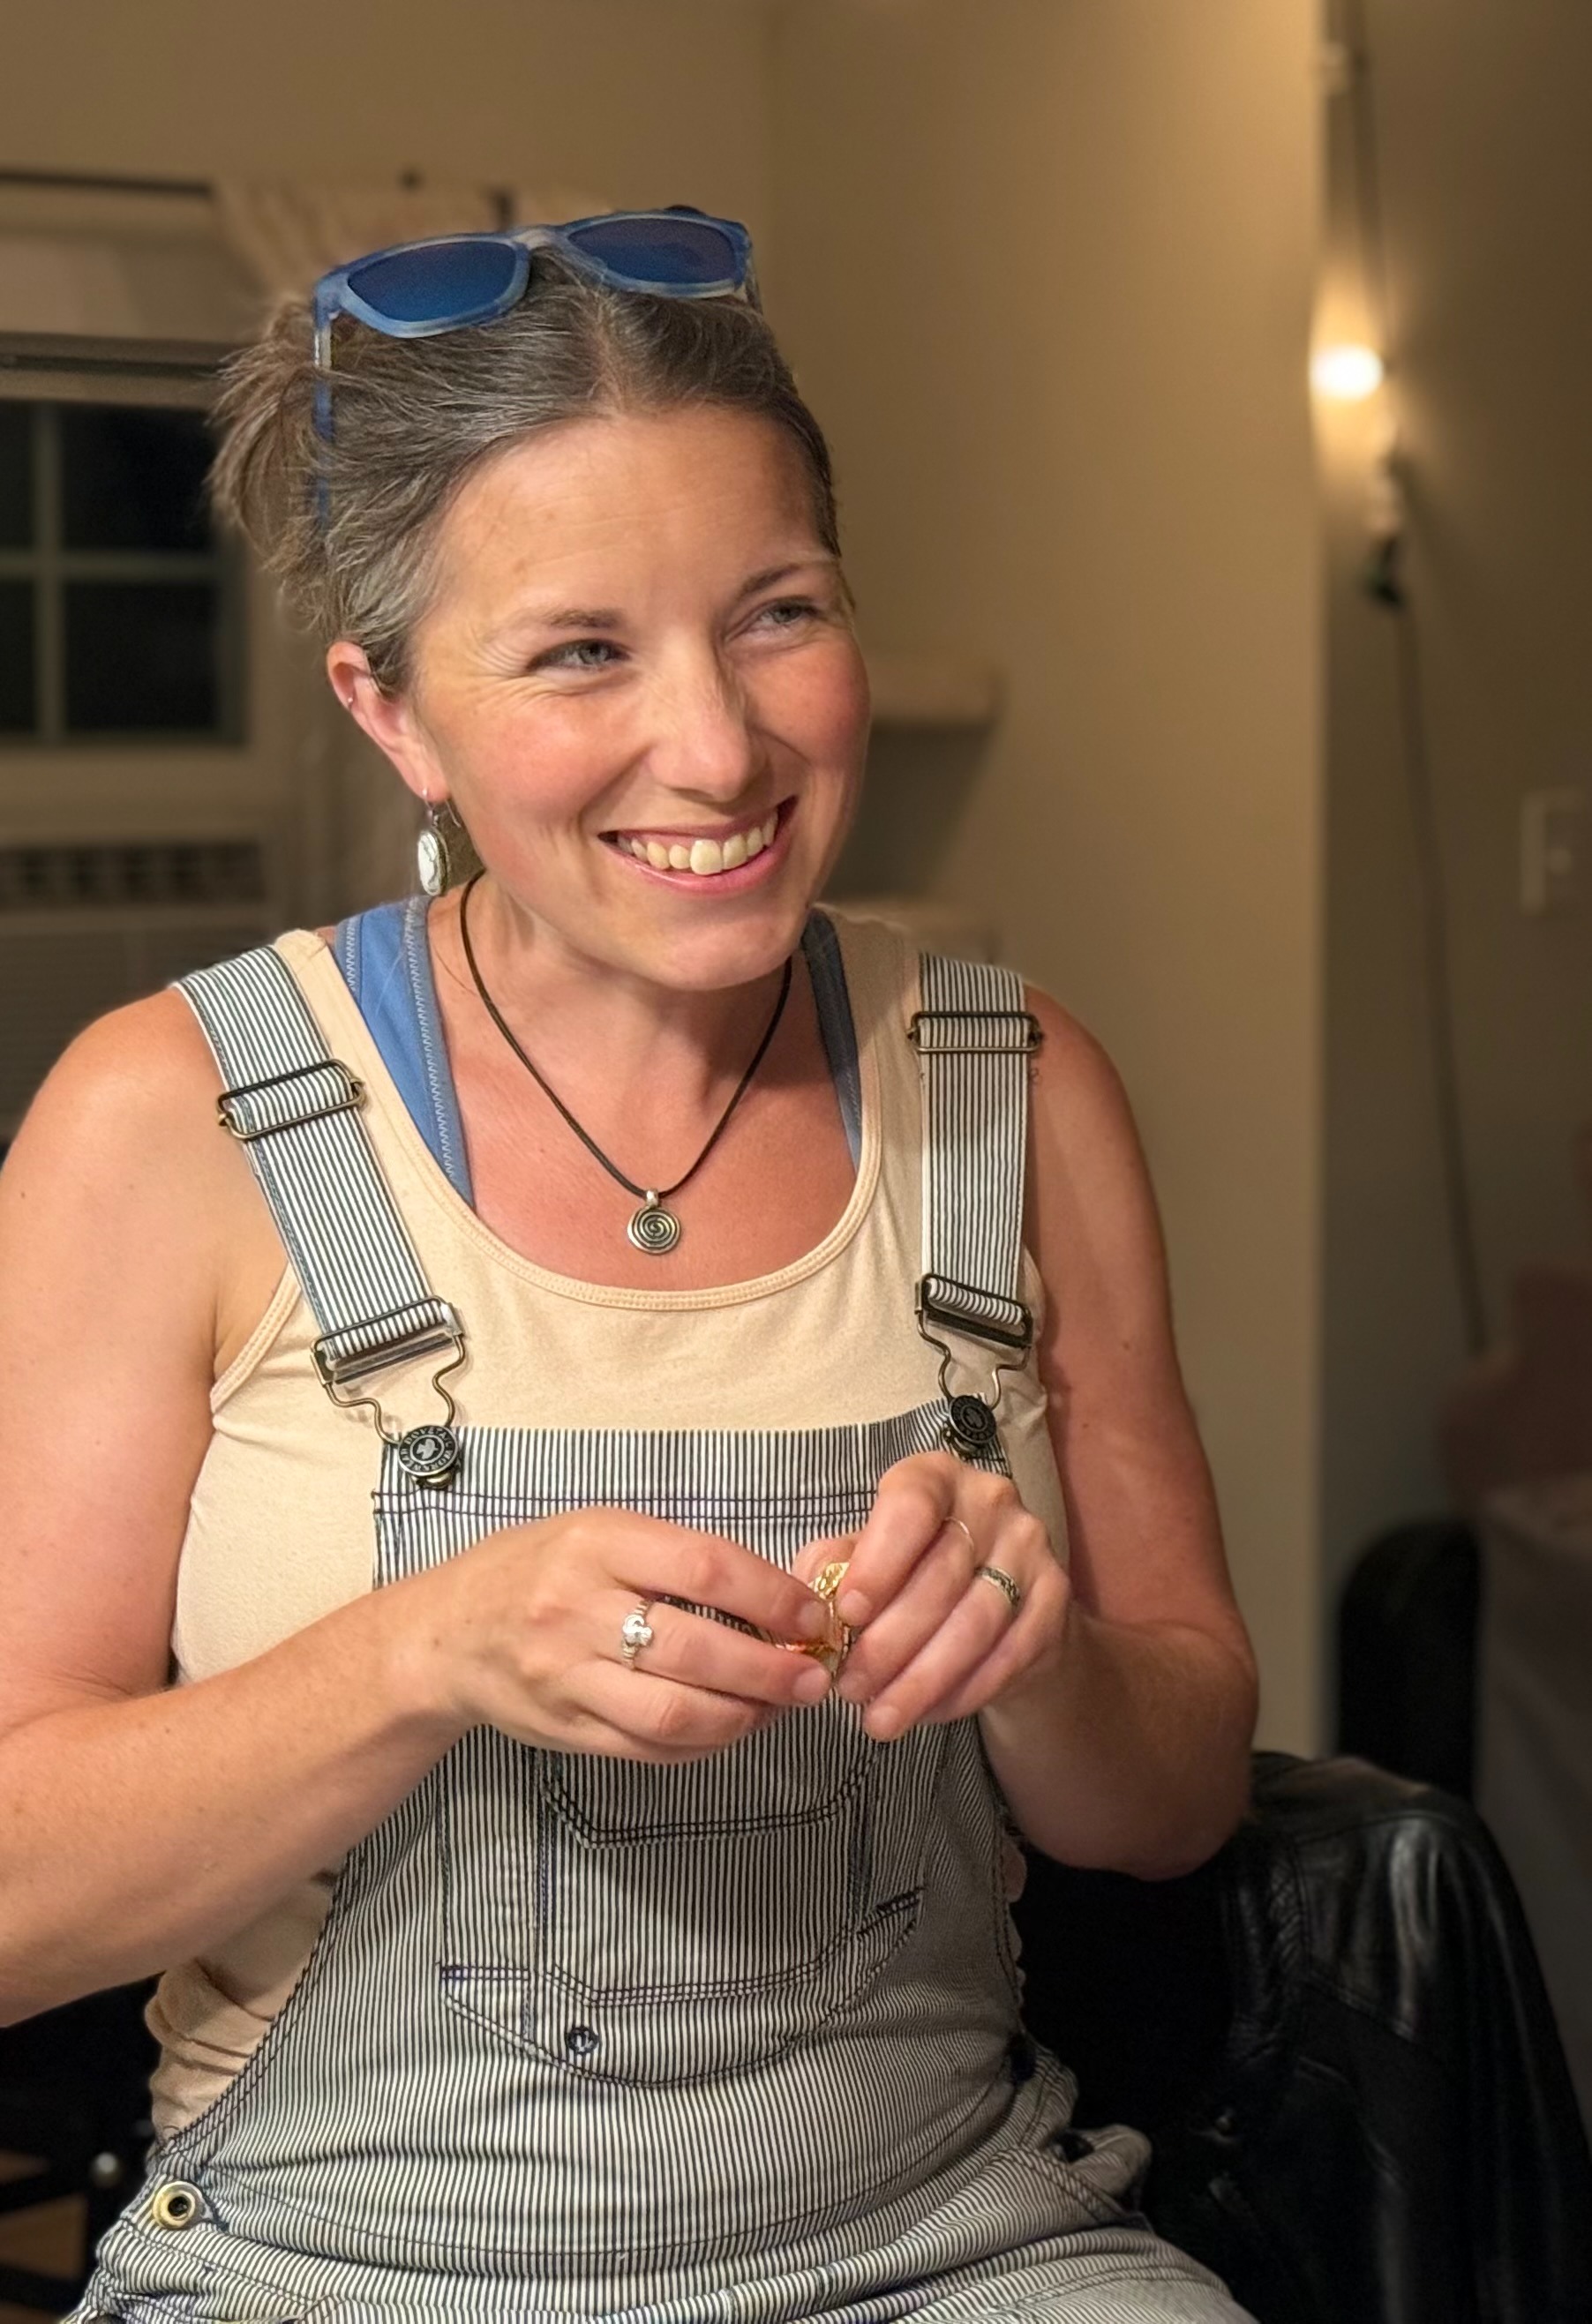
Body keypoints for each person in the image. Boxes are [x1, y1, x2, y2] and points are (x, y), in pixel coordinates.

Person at [0, 209, 1260, 2323]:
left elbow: (1179, 1797)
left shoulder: (1019, 1091)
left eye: (777, 615)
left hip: (954, 2245)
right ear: (393, 713)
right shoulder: (168, 1119)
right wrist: (419, 1655)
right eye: (579, 652)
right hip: (331, 2270)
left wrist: (1038, 1657)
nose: (719, 748)